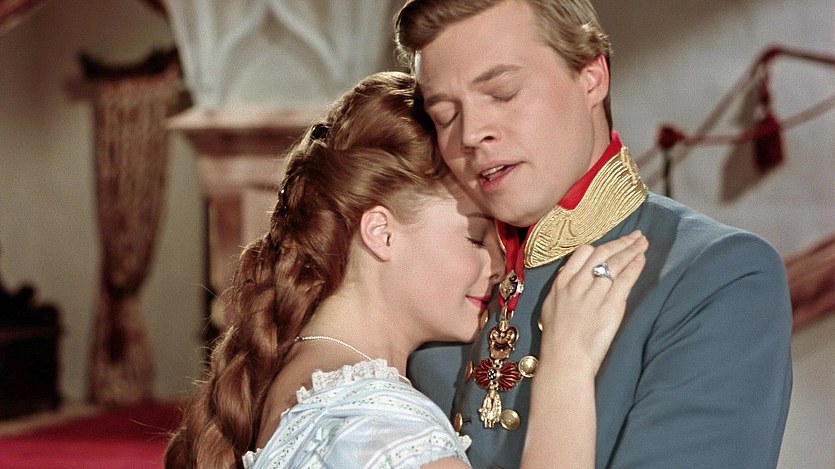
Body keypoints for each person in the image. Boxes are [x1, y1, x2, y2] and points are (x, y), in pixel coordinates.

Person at [163, 71, 648, 468]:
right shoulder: (374, 425)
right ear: (382, 232)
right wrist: (566, 366)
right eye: (476, 237)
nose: (500, 265)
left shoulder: (302, 381)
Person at [395, 1, 794, 468]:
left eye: (503, 93)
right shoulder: (432, 283)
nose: (470, 134)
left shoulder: (718, 277)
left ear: (591, 77)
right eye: (445, 116)